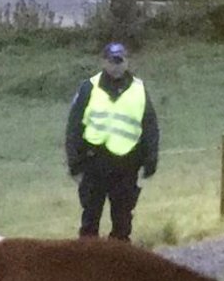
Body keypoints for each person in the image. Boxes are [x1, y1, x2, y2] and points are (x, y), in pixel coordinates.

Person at [65, 40, 159, 242]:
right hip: (94, 162)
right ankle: (88, 266)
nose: (116, 66)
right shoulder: (88, 88)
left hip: (127, 164)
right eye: (112, 61)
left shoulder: (139, 89)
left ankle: (119, 266)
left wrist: (151, 160)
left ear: (127, 62)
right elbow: (74, 126)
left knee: (123, 221)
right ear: (104, 62)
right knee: (90, 219)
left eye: (120, 61)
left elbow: (150, 126)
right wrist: (74, 163)